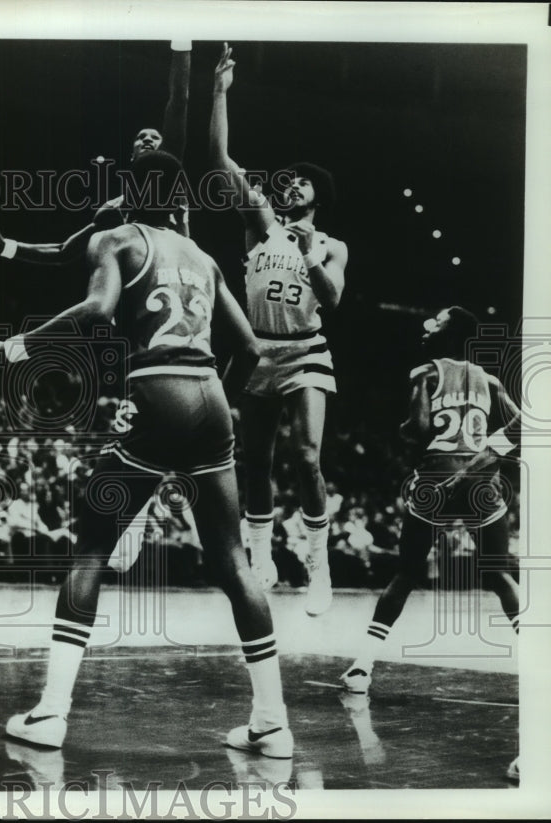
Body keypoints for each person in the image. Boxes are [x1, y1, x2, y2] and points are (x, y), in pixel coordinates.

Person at [0, 150, 293, 759]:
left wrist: (20, 345)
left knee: (93, 551)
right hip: (210, 399)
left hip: (154, 391)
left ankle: (51, 713)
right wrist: (213, 402)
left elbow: (99, 310)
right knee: (234, 563)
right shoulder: (203, 258)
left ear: (128, 192)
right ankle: (273, 723)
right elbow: (254, 348)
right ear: (181, 199)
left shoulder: (116, 238)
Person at [339, 306, 521, 779]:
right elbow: (522, 427)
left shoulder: (424, 371)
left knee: (407, 572)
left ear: (448, 335)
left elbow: (419, 429)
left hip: (437, 476)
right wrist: (487, 456)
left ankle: (362, 668)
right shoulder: (489, 380)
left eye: (434, 322)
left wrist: (405, 429)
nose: (426, 327)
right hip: (480, 477)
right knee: (499, 574)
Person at [209, 44, 349, 615]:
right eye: (285, 182)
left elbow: (334, 299)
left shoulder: (331, 244)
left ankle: (320, 562)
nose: (289, 186)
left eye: (299, 183)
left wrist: (309, 253)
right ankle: (261, 554)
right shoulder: (260, 227)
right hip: (258, 352)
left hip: (306, 351)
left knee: (308, 456)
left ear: (317, 196)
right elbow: (219, 158)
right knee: (254, 463)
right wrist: (220, 91)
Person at [0, 41, 193, 264]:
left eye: (155, 137)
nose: (148, 139)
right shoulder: (114, 211)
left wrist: (182, 41)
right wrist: (4, 247)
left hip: (184, 274)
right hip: (141, 284)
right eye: (141, 137)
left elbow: (179, 100)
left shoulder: (168, 175)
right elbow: (64, 251)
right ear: (132, 156)